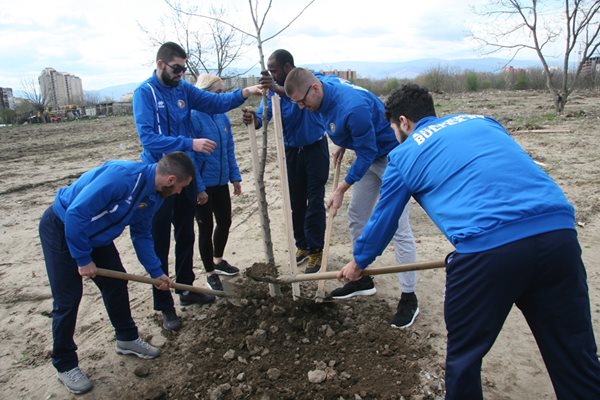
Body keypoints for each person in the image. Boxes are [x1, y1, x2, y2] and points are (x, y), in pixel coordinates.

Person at [338, 83, 600, 399]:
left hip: (488, 250)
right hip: (559, 236)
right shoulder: (483, 121)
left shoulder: (403, 155)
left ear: (404, 122)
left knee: (464, 360)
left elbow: (383, 220)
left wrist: (358, 263)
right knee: (575, 354)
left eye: (393, 128)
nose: (394, 135)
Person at [38, 151, 195, 395]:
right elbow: (76, 214)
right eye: (181, 187)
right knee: (68, 299)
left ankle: (126, 338)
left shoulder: (155, 196)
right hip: (62, 227)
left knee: (116, 286)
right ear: (171, 180)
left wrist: (157, 273)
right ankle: (65, 364)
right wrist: (82, 258)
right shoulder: (121, 177)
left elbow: (141, 234)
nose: (179, 193)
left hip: (97, 236)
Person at [133, 42, 261, 331]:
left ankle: (187, 290)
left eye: (184, 69)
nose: (181, 74)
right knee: (160, 241)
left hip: (185, 177)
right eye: (176, 68)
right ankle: (164, 306)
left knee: (186, 235)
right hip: (160, 179)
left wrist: (245, 92)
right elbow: (149, 139)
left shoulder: (183, 90)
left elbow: (215, 103)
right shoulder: (146, 93)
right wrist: (189, 143)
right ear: (160, 63)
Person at [284, 68, 419, 329]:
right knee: (356, 216)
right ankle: (362, 280)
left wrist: (340, 189)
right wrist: (344, 142)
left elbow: (367, 151)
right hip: (368, 152)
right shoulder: (321, 92)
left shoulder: (351, 107)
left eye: (302, 101)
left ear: (315, 89)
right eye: (296, 103)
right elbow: (353, 130)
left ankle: (409, 296)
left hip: (391, 156)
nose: (301, 107)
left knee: (398, 227)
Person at [242, 49, 329, 274]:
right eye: (269, 71)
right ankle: (302, 245)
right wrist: (253, 118)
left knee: (315, 200)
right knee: (296, 202)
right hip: (290, 152)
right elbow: (264, 117)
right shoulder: (271, 93)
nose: (271, 75)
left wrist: (278, 89)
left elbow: (306, 89)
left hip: (315, 149)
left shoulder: (308, 79)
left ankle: (316, 249)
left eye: (274, 71)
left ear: (288, 68)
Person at [191, 74, 243, 291]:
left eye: (223, 92)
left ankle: (218, 260)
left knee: (225, 221)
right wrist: (198, 188)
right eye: (217, 92)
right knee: (205, 227)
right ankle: (210, 272)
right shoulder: (193, 117)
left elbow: (229, 149)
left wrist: (235, 177)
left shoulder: (222, 117)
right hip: (203, 185)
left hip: (221, 181)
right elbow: (190, 157)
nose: (221, 97)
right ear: (204, 92)